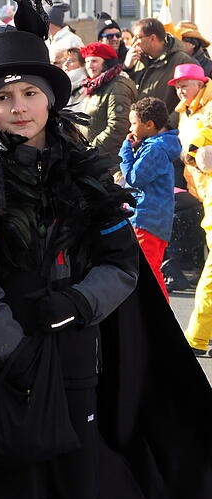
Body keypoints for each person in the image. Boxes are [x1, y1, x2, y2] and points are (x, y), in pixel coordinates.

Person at [0, 0, 212, 499]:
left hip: (77, 361)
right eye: (5, 97)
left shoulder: (86, 175)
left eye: (30, 93)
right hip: (2, 369)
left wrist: (75, 305)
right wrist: (13, 352)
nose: (19, 107)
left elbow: (121, 265)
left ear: (50, 99)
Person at [119, 96, 180, 300]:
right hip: (156, 219)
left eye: (134, 123)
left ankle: (159, 322)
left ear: (149, 124)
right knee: (151, 270)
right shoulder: (159, 145)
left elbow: (134, 178)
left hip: (147, 219)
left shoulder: (155, 148)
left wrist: (126, 150)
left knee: (147, 272)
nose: (131, 128)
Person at [170, 63, 212, 354]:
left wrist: (194, 149)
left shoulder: (209, 106)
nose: (181, 89)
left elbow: (206, 133)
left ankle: (197, 337)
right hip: (203, 192)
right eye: (178, 85)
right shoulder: (185, 110)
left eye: (186, 84)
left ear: (201, 83)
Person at [79, 41, 137, 166]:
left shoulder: (117, 87)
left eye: (94, 61)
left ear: (106, 63)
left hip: (111, 161)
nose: (89, 65)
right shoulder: (94, 86)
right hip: (96, 159)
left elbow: (118, 126)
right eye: (87, 61)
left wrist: (92, 151)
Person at [124, 17, 194, 112]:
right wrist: (127, 68)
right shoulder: (136, 59)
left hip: (164, 125)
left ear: (152, 38)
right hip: (138, 124)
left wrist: (168, 125)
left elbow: (188, 100)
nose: (134, 42)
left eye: (138, 37)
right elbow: (124, 93)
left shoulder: (181, 60)